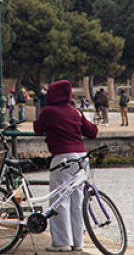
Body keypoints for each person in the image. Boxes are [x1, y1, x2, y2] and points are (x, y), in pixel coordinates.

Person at [33, 80, 99, 252]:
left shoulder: (49, 112)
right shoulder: (76, 112)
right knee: (77, 200)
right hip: (81, 158)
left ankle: (62, 242)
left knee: (59, 200)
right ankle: (78, 242)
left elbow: (37, 129)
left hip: (62, 158)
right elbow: (92, 132)